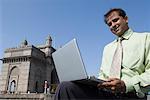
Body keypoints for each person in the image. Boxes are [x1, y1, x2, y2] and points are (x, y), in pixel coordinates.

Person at [54, 8, 150, 100]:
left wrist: (125, 85)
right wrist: (94, 82)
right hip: (106, 94)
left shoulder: (145, 38)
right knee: (65, 87)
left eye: (115, 20)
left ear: (126, 19)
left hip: (131, 95)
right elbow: (102, 75)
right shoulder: (107, 48)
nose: (113, 25)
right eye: (109, 24)